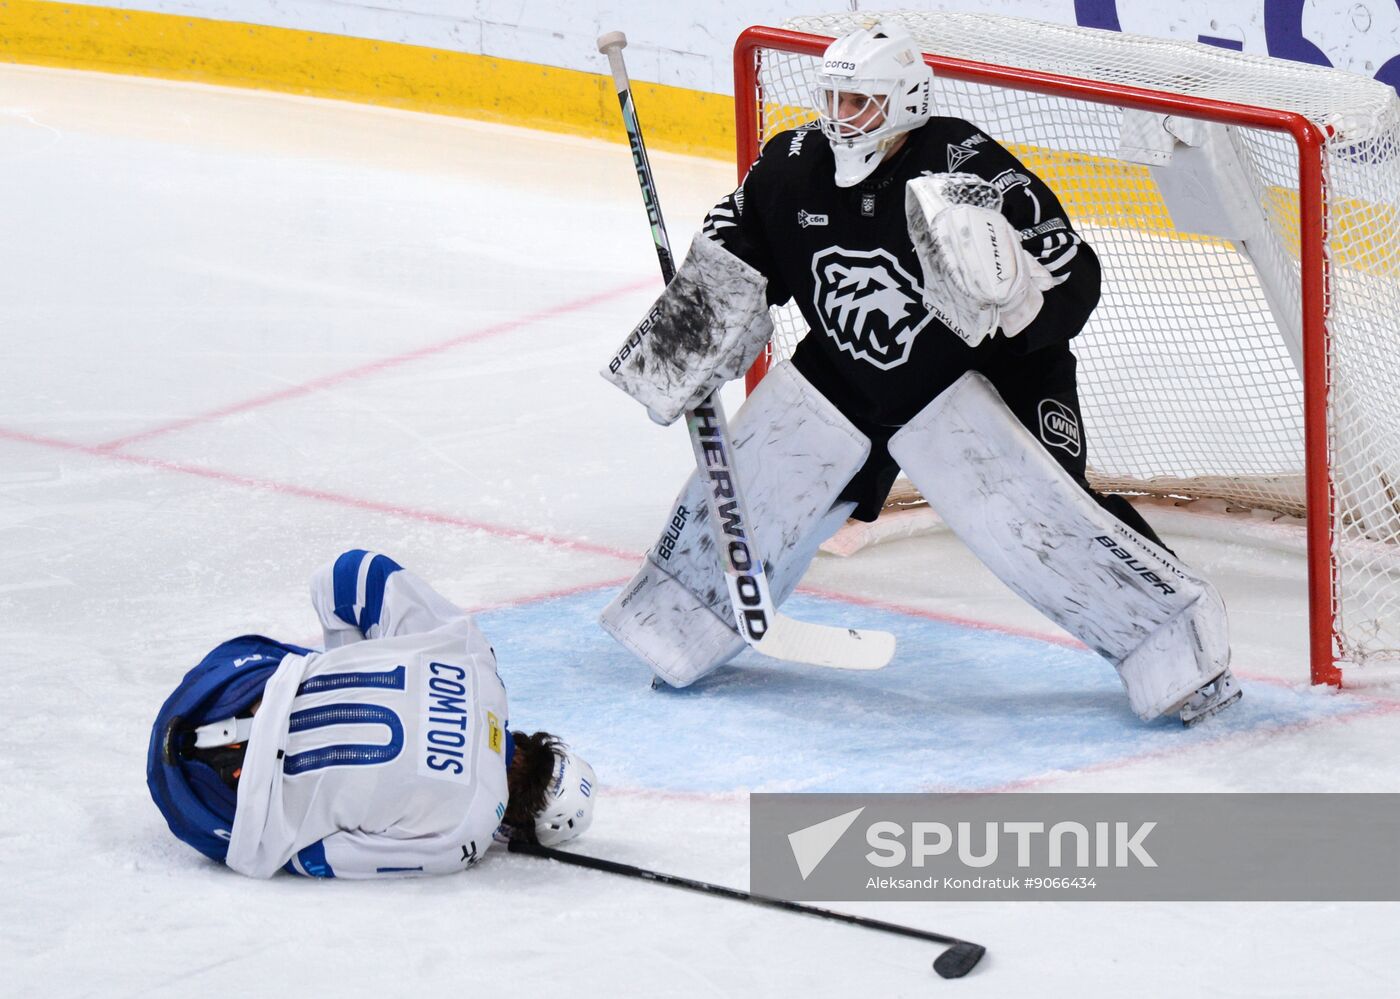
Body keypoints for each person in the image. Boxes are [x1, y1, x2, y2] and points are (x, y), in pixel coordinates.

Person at [598, 22, 1240, 726]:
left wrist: (1024, 295)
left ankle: (1179, 646)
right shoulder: (791, 166)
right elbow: (741, 249)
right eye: (835, 100)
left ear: (906, 101)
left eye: (862, 103)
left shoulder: (965, 168)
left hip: (991, 374)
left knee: (1048, 524)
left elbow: (1076, 275)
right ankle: (678, 615)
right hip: (853, 367)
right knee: (763, 483)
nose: (843, 119)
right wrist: (695, 325)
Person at [147, 548, 595, 878]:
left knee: (310, 669)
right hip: (202, 800)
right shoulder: (466, 837)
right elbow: (317, 859)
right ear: (516, 824)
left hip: (212, 692)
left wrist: (357, 667)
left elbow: (345, 577)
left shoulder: (476, 660)